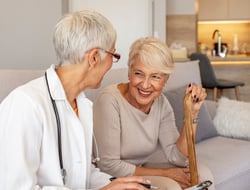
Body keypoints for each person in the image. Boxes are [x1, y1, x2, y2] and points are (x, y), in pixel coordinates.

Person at [0, 10, 152, 190]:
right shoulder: (25, 104)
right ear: (94, 57)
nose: (112, 64)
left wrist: (119, 184)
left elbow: (82, 174)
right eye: (113, 55)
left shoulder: (81, 105)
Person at [93, 37, 215, 190]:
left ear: (165, 80)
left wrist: (192, 114)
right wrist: (166, 173)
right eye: (139, 73)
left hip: (139, 168)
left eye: (155, 77)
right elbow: (108, 165)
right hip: (109, 177)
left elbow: (178, 158)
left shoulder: (161, 103)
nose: (145, 84)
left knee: (203, 176)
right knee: (171, 187)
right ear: (129, 73)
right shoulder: (109, 101)